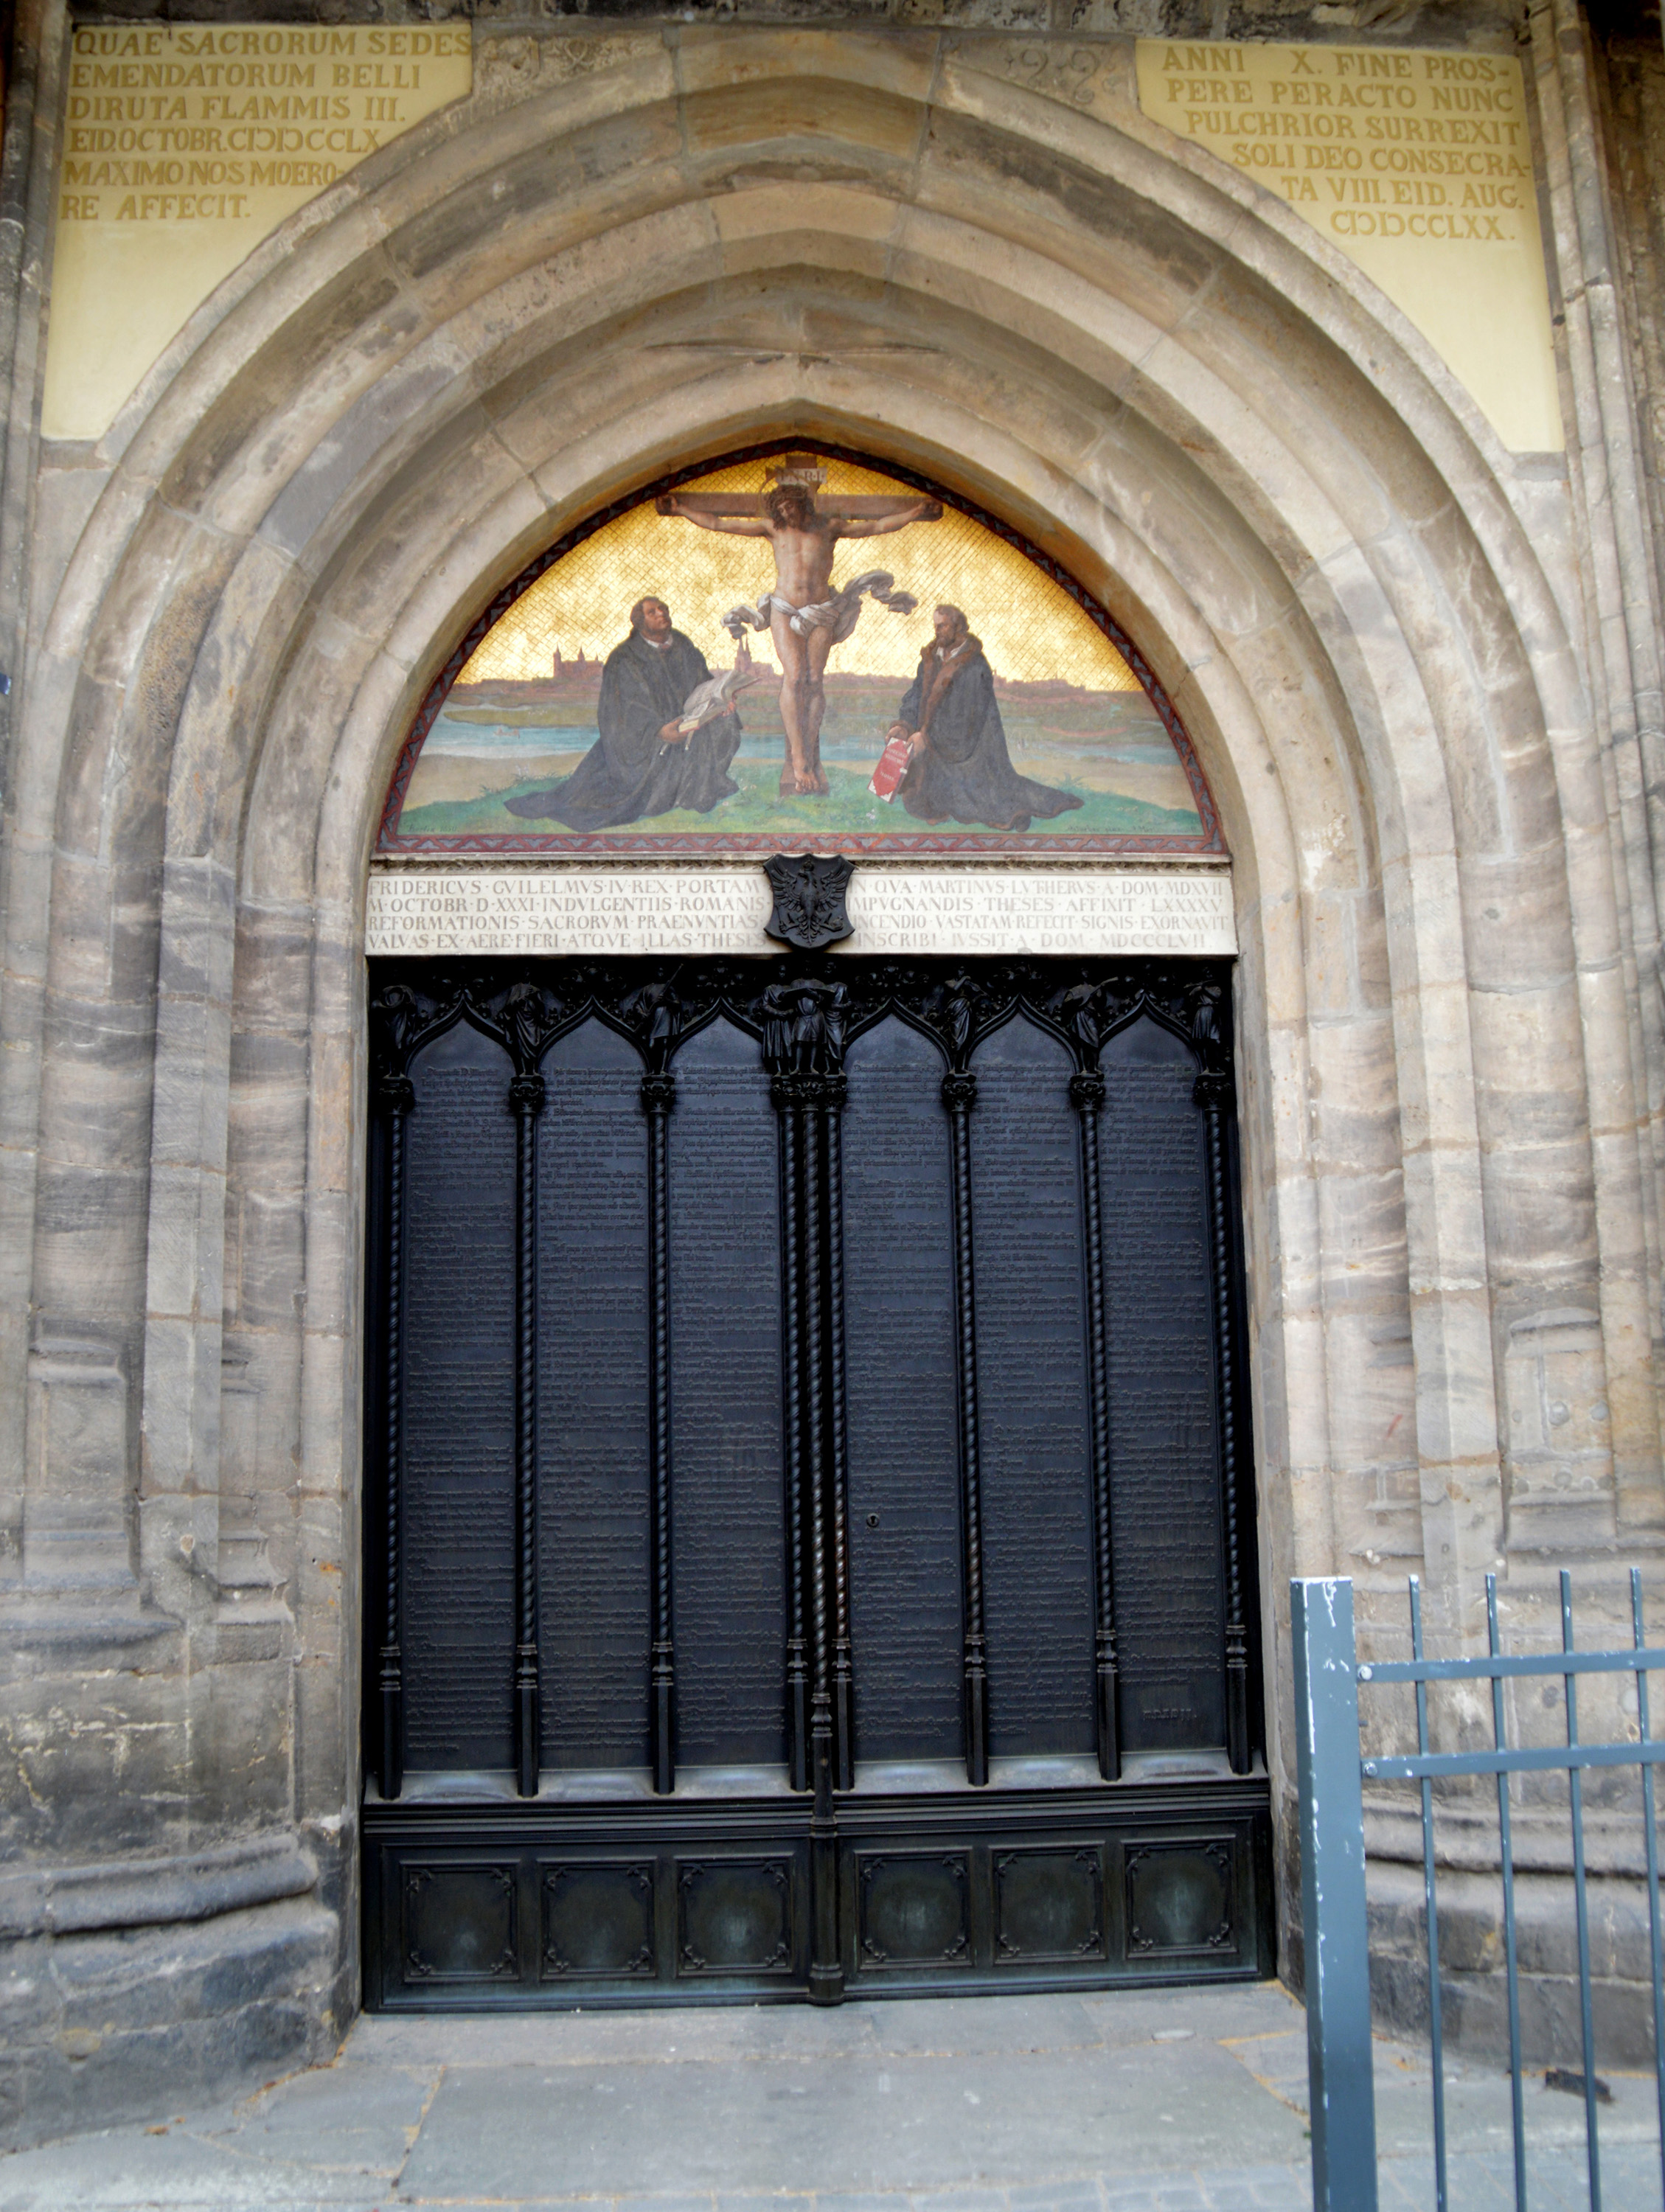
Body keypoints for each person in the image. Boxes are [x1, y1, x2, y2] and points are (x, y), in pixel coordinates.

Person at [658, 479, 939, 797]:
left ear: (801, 504)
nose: (785, 514)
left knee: (813, 681)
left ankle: (808, 747)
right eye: (779, 509)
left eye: (789, 507)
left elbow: (877, 526)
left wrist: (916, 511)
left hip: (821, 610)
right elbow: (719, 523)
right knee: (793, 680)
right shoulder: (774, 529)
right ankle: (800, 758)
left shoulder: (829, 527)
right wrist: (680, 508)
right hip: (784, 609)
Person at [504, 597, 742, 831]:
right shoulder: (624, 658)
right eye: (653, 612)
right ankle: (671, 793)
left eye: (663, 609)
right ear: (639, 622)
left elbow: (703, 680)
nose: (661, 614)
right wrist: (658, 731)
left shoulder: (681, 644)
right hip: (643, 739)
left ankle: (698, 788)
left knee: (727, 723)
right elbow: (625, 711)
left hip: (687, 723)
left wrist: (722, 700)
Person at [889, 605, 1083, 833]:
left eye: (942, 626)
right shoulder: (931, 658)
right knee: (920, 800)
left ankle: (1016, 813)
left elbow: (965, 715)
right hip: (934, 745)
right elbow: (915, 694)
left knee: (986, 803)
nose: (937, 631)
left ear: (958, 627)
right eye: (935, 626)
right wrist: (903, 726)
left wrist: (927, 737)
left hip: (972, 750)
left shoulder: (975, 665)